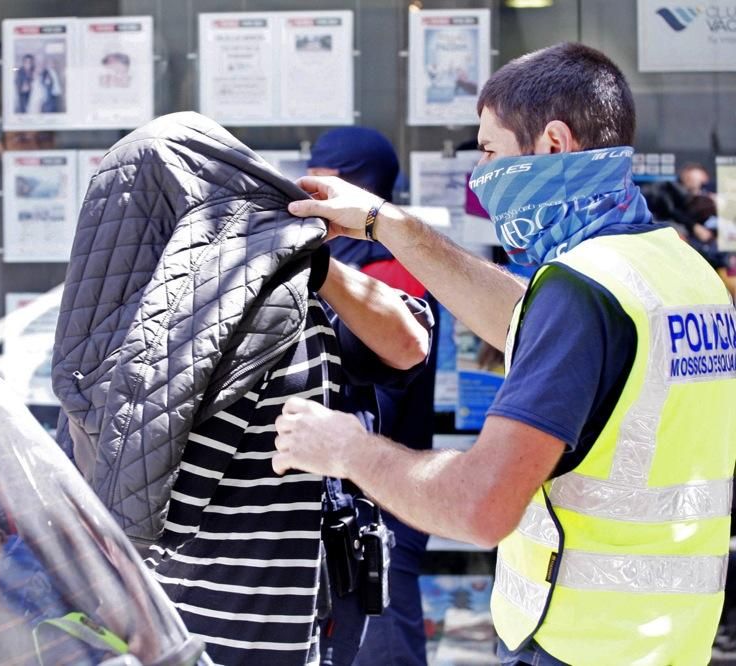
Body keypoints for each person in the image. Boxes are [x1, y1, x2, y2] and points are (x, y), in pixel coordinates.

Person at [274, 42, 736, 665]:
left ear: (552, 143)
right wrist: (387, 224)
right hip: (664, 639)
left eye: (489, 151)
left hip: (578, 644)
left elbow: (480, 506)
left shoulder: (583, 292)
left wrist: (346, 448)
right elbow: (525, 317)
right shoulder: (680, 272)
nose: (479, 175)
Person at [51, 112, 431, 666]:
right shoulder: (190, 322)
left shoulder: (109, 326)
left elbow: (407, 343)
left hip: (204, 610)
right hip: (245, 615)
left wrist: (303, 253)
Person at [305, 126, 435, 666]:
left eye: (320, 171)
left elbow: (382, 375)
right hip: (365, 496)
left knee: (382, 651)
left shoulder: (392, 271)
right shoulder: (373, 259)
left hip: (382, 500)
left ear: (348, 182)